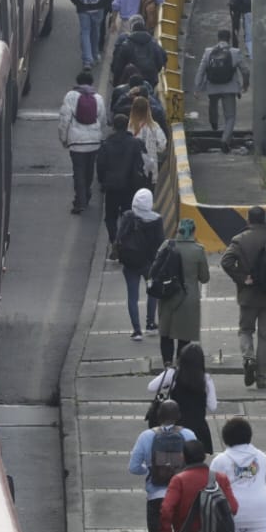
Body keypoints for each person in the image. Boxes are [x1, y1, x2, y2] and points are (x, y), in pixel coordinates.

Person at [128, 399, 198, 532]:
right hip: (182, 498)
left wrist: (149, 470)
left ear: (158, 416)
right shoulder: (188, 434)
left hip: (156, 498)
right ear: (178, 416)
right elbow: (196, 464)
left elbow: (134, 467)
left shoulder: (146, 436)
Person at [222, 206, 266, 389]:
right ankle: (262, 377)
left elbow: (226, 261)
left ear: (248, 220)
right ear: (264, 219)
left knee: (245, 330)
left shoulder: (240, 240)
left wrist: (242, 278)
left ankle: (248, 357)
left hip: (249, 295)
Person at [157, 219, 210, 366]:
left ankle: (167, 365)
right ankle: (180, 366)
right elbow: (205, 278)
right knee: (184, 336)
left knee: (166, 334)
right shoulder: (198, 250)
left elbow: (156, 268)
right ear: (194, 232)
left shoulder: (166, 245)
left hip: (167, 295)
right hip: (188, 298)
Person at [116, 188, 166, 341]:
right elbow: (160, 243)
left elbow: (119, 238)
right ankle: (150, 323)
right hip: (149, 265)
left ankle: (136, 331)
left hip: (130, 264)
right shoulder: (156, 220)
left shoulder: (127, 216)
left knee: (132, 297)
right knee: (152, 292)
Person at [151, 341, 218, 450]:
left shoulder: (173, 374)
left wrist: (167, 379)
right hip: (198, 428)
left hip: (176, 427)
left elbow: (151, 387)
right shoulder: (206, 379)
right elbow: (213, 406)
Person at [195, 28, 251, 153]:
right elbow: (245, 70)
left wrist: (197, 88)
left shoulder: (208, 52)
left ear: (218, 38)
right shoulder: (235, 52)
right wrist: (245, 84)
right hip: (229, 88)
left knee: (213, 105)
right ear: (229, 39)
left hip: (212, 87)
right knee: (230, 116)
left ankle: (214, 122)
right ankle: (225, 140)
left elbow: (201, 70)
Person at [59, 70, 105, 215]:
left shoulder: (70, 96)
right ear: (91, 83)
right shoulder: (98, 98)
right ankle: (87, 192)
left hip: (77, 142)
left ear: (77, 82)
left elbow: (65, 119)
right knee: (89, 170)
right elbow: (102, 120)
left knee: (78, 171)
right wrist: (98, 136)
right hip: (94, 141)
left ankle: (80, 200)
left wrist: (64, 138)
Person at [98, 115, 150, 243]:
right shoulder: (135, 143)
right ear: (127, 126)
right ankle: (125, 241)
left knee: (110, 217)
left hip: (112, 186)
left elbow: (100, 165)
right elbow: (142, 164)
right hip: (130, 185)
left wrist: (102, 182)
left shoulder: (106, 144)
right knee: (129, 215)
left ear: (114, 127)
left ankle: (114, 240)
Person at [113, 16, 168, 89]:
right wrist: (154, 70)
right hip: (150, 79)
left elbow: (118, 66)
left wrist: (116, 83)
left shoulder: (126, 44)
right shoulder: (153, 43)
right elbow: (163, 57)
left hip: (130, 79)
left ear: (131, 28)